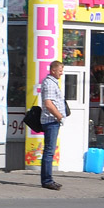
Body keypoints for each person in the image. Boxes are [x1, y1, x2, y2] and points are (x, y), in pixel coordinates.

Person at [40, 60, 67, 191]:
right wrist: (59, 116)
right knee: (49, 152)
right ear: (53, 70)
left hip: (53, 121)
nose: (61, 73)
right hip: (51, 121)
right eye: (60, 70)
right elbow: (48, 104)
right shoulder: (49, 83)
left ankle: (48, 179)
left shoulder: (52, 83)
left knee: (49, 151)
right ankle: (47, 180)